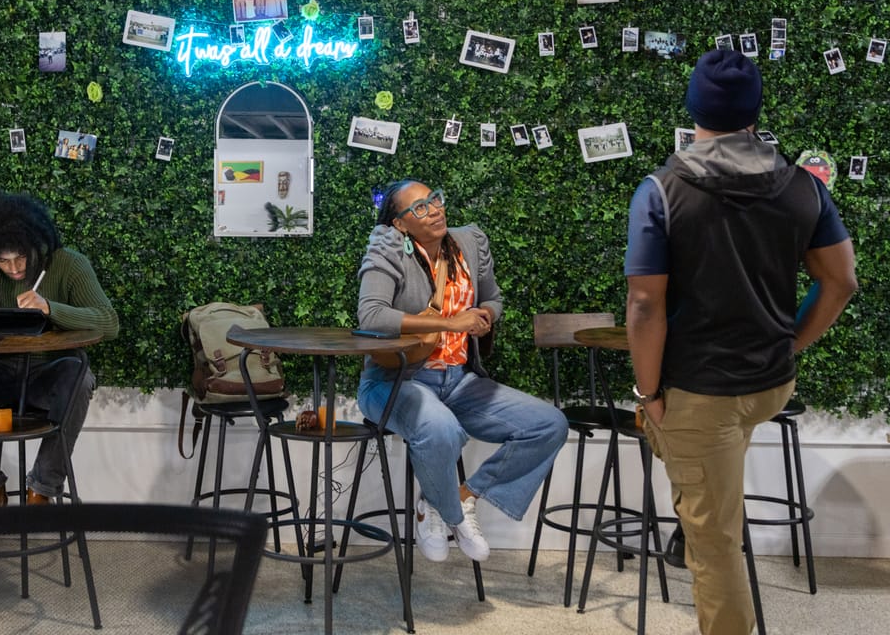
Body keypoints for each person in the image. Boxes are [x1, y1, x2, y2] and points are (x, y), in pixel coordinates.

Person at [625, 50, 857, 635]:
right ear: (755, 109)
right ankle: (693, 487)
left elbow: (646, 304)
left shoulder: (661, 189)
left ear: (694, 107)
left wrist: (648, 392)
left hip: (703, 391)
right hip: (770, 385)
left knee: (715, 543)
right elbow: (841, 281)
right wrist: (791, 344)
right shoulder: (804, 187)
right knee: (702, 490)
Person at [356, 180, 568, 562]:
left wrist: (485, 315)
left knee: (548, 424)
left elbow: (493, 299)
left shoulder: (469, 242)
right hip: (395, 380)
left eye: (434, 200)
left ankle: (452, 500)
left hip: (457, 380)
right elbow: (372, 314)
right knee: (440, 428)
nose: (434, 209)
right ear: (401, 224)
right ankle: (451, 516)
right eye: (419, 208)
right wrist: (451, 324)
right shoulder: (388, 246)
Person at [0, 192, 120, 507]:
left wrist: (50, 309)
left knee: (78, 376)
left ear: (38, 244)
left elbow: (109, 323)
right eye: (2, 260)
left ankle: (43, 486)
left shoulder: (68, 263)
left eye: (21, 258)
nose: (13, 268)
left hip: (45, 376)